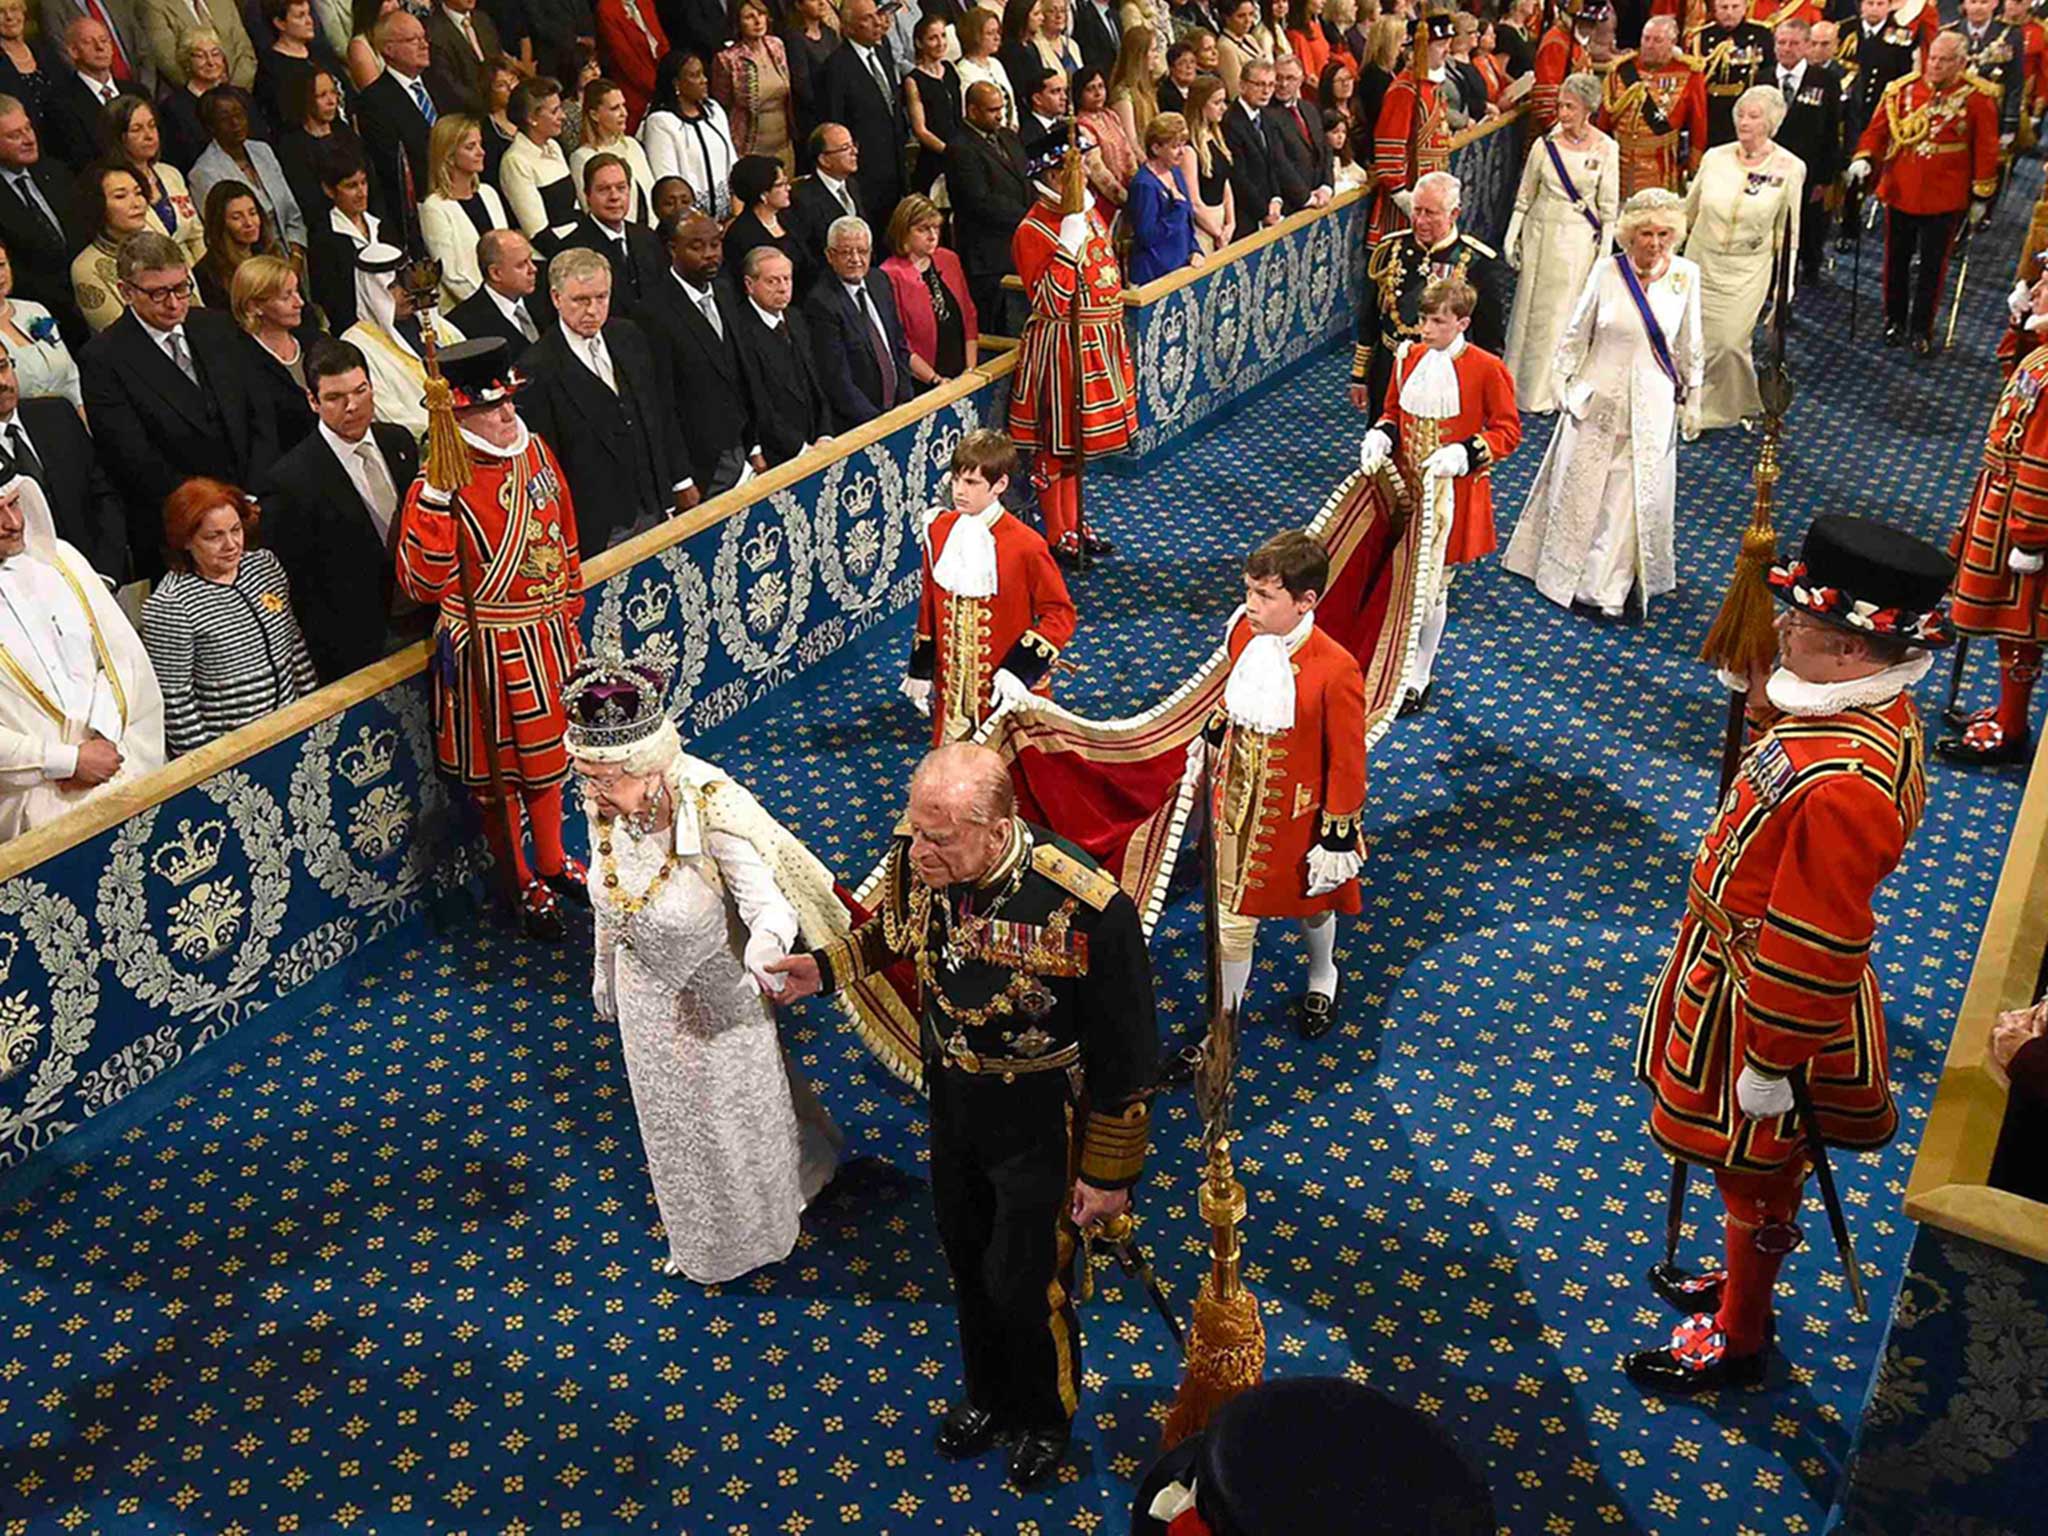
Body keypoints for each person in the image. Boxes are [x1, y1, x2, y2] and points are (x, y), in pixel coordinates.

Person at [763, 740, 1157, 1490]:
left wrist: (1109, 1178)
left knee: (1027, 1278)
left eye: (939, 838)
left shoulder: (1086, 907)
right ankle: (989, 1395)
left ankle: (1045, 1414)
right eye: (916, 831)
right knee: (967, 1258)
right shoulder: (925, 854)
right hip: (954, 1102)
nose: (919, 851)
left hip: (1044, 1122)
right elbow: (895, 930)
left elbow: (1128, 1060)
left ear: (998, 828)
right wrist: (826, 968)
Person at [1625, 514, 1951, 1395]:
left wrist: (1771, 1057)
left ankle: (1739, 1334)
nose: (1781, 633)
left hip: (1764, 1003)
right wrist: (1770, 688)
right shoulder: (1868, 710)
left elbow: (1819, 940)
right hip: (1738, 971)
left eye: (1800, 628)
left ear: (1851, 653)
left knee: (1753, 1167)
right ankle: (1740, 1289)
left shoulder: (1844, 784)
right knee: (1759, 1168)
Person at [565, 640, 846, 1283]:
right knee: (672, 1119)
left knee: (730, 1118)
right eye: (584, 776)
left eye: (604, 779)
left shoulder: (713, 805)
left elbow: (768, 903)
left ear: (649, 765)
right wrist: (603, 966)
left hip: (719, 993)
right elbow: (610, 893)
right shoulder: (604, 803)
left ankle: (763, 1225)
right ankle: (701, 1237)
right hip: (645, 998)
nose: (591, 793)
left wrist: (766, 949)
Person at [394, 336, 586, 941]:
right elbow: (422, 583)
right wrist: (433, 501)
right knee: (499, 772)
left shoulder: (536, 452)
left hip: (548, 633)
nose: (508, 415)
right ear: (458, 417)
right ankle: (520, 874)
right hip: (489, 649)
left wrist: (570, 604)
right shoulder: (439, 482)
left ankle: (553, 859)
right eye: (492, 407)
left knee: (550, 759)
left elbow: (564, 530)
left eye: (509, 401)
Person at [1183, 527, 1365, 1050]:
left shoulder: (1336, 670)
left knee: (1314, 906)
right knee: (1232, 922)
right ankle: (1225, 1023)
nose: (1251, 604)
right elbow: (1235, 698)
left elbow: (1348, 763)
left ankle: (1322, 974)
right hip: (1235, 808)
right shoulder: (1243, 633)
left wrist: (1335, 837)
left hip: (1297, 820)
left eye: (1265, 595)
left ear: (1306, 601)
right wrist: (1211, 738)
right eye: (1248, 590)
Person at [1506, 188, 1703, 621]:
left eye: (1663, 234)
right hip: (1595, 401)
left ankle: (1607, 588)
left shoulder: (1686, 276)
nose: (1654, 243)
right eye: (1646, 234)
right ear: (1629, 236)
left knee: (1624, 500)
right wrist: (1562, 385)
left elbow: (1690, 345)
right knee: (1580, 492)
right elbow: (1575, 335)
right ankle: (1563, 575)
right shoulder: (1606, 272)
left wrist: (1694, 399)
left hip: (1651, 407)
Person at [1357, 276, 1519, 713]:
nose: (1424, 329)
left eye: (1436, 321)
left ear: (1462, 323)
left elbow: (1507, 431)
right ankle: (1389, 659)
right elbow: (1393, 410)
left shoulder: (1487, 368)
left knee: (1433, 589)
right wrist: (1381, 434)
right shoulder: (1408, 358)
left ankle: (1418, 673)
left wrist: (1465, 453)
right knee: (1397, 580)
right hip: (1405, 488)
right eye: (1423, 319)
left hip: (1454, 498)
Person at [79, 230, 280, 578]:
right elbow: (132, 457)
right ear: (126, 291)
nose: (174, 303)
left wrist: (255, 492)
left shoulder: (215, 326)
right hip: (182, 528)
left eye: (181, 288)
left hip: (254, 505)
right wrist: (211, 510)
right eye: (158, 293)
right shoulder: (104, 358)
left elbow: (259, 410)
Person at [0, 472, 163, 841]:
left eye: (14, 504)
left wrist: (103, 738)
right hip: (34, 808)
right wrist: (68, 762)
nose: (12, 524)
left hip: (120, 762)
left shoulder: (63, 561)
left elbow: (117, 656)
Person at [256, 334, 424, 680]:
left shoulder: (398, 442)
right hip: (360, 647)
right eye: (335, 397)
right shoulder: (290, 481)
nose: (352, 406)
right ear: (312, 400)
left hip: (425, 617)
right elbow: (299, 587)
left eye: (360, 391)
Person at [1007, 133, 1135, 565]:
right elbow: (1047, 300)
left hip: (1098, 340)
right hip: (1063, 345)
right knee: (1057, 447)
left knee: (1079, 449)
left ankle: (1077, 523)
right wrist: (1066, 247)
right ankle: (1058, 531)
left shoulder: (1085, 211)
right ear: (1053, 174)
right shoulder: (1032, 228)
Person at [1936, 273, 2048, 767]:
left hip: (2024, 516)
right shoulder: (2042, 356)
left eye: (2047, 285)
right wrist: (2021, 324)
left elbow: (2043, 462)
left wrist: (2030, 533)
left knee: (2022, 623)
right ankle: (2008, 711)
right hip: (2001, 500)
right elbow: (2013, 370)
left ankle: (2012, 728)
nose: (2037, 289)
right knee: (2009, 622)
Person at [902, 427, 1074, 744]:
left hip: (1003, 694)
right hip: (951, 693)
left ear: (1000, 485)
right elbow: (929, 601)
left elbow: (1060, 614)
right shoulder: (939, 530)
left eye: (971, 482)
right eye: (956, 479)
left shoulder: (1026, 545)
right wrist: (920, 669)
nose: (959, 491)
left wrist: (1020, 669)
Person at [519, 245, 688, 555]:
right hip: (597, 526)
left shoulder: (629, 336)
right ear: (556, 298)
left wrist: (678, 482)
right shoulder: (536, 368)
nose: (593, 310)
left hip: (653, 504)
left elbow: (658, 412)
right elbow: (547, 461)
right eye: (581, 300)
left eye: (601, 297)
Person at [1845, 31, 1998, 357]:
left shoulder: (1977, 98)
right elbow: (1878, 132)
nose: (1937, 66)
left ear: (1961, 62)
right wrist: (1864, 158)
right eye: (1933, 59)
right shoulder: (1902, 91)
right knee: (1895, 260)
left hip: (1945, 193)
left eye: (1945, 60)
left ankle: (1921, 328)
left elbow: (1985, 149)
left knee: (1932, 266)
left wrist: (1981, 197)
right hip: (1902, 187)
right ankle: (1894, 320)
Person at [140, 475, 317, 755]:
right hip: (234, 752)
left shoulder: (265, 566)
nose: (231, 544)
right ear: (185, 541)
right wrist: (207, 766)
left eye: (236, 530)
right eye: (214, 536)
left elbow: (294, 644)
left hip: (294, 729)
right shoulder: (171, 605)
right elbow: (175, 702)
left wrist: (315, 713)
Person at [1349, 169, 1510, 427]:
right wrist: (1359, 376)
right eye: (1417, 210)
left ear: (1453, 214)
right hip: (1391, 368)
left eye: (1430, 213)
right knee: (1381, 447)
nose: (1420, 221)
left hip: (1445, 374)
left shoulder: (1477, 262)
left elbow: (1489, 336)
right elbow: (1369, 316)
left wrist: (1484, 390)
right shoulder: (1390, 250)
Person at [1683, 83, 1801, 428]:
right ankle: (1694, 405)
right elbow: (1688, 211)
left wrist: (1786, 286)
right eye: (1741, 114)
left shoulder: (1790, 167)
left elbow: (1788, 234)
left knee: (1730, 342)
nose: (1744, 122)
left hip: (1747, 268)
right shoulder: (1715, 157)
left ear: (1772, 123)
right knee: (1692, 338)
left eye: (1754, 116)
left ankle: (1721, 409)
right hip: (1701, 260)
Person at [1503, 72, 1618, 414]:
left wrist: (1605, 252)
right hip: (1539, 232)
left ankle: (1550, 390)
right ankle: (1517, 386)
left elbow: (1609, 209)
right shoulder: (1545, 145)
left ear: (1588, 109)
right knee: (1527, 309)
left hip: (1576, 239)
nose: (1562, 113)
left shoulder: (1606, 148)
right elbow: (1524, 197)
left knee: (1559, 312)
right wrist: (1512, 235)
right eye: (1560, 106)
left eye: (1570, 107)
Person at [636, 210, 763, 501]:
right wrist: (681, 480)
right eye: (696, 247)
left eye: (715, 245)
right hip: (700, 464)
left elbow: (743, 373)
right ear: (672, 250)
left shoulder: (725, 290)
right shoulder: (653, 313)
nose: (709, 255)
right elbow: (662, 403)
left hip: (740, 446)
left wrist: (753, 445)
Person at [0, 350, 125, 580]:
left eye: (2, 366)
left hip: (98, 574)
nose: (2, 382)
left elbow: (104, 495)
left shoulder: (56, 414)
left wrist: (106, 572)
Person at [340, 240, 464, 439]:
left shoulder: (435, 324)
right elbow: (389, 414)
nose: (406, 292)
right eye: (393, 286)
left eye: (408, 282)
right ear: (373, 292)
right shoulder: (355, 346)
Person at [801, 212, 914, 430]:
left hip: (898, 411)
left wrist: (905, 400)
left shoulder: (879, 281)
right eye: (846, 252)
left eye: (862, 251)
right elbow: (836, 380)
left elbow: (898, 344)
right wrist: (878, 423)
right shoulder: (821, 302)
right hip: (859, 424)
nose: (856, 259)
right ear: (830, 255)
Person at [729, 243, 832, 465]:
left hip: (817, 443)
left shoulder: (796, 318)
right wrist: (801, 449)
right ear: (749, 284)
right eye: (772, 281)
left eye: (787, 279)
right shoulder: (740, 331)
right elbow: (759, 404)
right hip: (780, 455)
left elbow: (817, 382)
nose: (783, 287)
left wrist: (825, 434)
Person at [0, 97, 86, 345]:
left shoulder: (58, 173)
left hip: (85, 296)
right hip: (36, 320)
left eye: (28, 128)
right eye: (14, 135)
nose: (29, 139)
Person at [947, 80, 1030, 333]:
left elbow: (1026, 177)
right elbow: (979, 201)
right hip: (988, 255)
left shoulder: (1008, 137)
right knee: (997, 325)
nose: (1000, 116)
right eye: (993, 110)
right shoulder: (960, 148)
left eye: (1001, 109)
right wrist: (1027, 215)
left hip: (1018, 245)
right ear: (972, 111)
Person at [817, 0, 907, 221]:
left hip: (894, 167)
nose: (878, 22)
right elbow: (834, 121)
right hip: (864, 173)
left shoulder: (882, 50)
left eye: (877, 15)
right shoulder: (836, 67)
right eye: (867, 18)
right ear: (848, 27)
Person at [1368, 11, 1451, 245]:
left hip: (1433, 190)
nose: (1446, 50)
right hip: (1411, 197)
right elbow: (1388, 147)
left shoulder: (1430, 87)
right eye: (1440, 45)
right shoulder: (1405, 90)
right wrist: (1402, 194)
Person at [1602, 15, 1706, 197]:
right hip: (1617, 163)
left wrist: (1693, 166)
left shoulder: (1689, 73)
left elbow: (1699, 123)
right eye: (1646, 38)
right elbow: (1604, 120)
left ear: (1672, 42)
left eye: (1657, 40)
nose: (1649, 45)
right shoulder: (1621, 69)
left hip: (1661, 166)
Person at [1770, 18, 1840, 288]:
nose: (1786, 48)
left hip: (1810, 169)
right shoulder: (1762, 76)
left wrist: (1825, 179)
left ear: (1807, 46)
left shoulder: (1826, 81)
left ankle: (1810, 266)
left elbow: (1833, 132)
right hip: (1771, 167)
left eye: (1794, 43)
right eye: (1781, 42)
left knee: (1809, 225)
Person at [880, 195, 975, 387]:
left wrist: (970, 370)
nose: (932, 236)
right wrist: (935, 379)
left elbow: (969, 316)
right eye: (923, 229)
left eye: (936, 228)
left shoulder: (949, 260)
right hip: (922, 381)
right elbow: (900, 342)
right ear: (903, 232)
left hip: (962, 373)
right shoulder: (889, 275)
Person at [419, 113, 510, 307]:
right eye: (470, 147)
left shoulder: (489, 193)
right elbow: (451, 275)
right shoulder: (435, 207)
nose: (481, 152)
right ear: (449, 156)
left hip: (507, 297)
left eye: (480, 144)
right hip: (468, 307)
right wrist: (492, 305)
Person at [352, 8, 433, 226]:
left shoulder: (439, 83)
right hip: (421, 207)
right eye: (413, 40)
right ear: (389, 49)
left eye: (424, 37)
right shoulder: (374, 102)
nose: (424, 45)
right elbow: (392, 168)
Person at [103, 95, 203, 271]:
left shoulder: (170, 174)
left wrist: (205, 276)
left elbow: (196, 235)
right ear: (118, 137)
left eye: (152, 126)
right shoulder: (112, 183)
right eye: (137, 129)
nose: (149, 136)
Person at [639, 48, 736, 219]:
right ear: (676, 83)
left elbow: (733, 164)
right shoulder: (661, 123)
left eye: (703, 74)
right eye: (695, 75)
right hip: (689, 223)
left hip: (728, 217)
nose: (704, 80)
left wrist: (735, 215)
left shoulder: (714, 111)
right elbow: (668, 183)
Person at [230, 251, 316, 440]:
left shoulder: (314, 342)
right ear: (254, 306)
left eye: (297, 291)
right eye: (286, 297)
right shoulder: (240, 364)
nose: (299, 302)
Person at [302, 136, 377, 327]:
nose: (362, 193)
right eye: (351, 186)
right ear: (329, 190)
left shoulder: (380, 224)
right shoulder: (324, 239)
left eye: (363, 183)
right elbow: (333, 304)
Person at [70, 162, 153, 333]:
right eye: (120, 196)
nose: (137, 203)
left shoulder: (158, 240)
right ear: (97, 204)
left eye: (138, 193)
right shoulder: (86, 267)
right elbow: (119, 337)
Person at [0, 237, 81, 406]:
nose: (0, 275)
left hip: (70, 420)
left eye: (1, 265)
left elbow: (71, 378)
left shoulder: (34, 310)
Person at [787, 120, 866, 291]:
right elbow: (808, 255)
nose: (855, 152)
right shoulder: (802, 198)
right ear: (824, 159)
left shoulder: (853, 186)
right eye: (845, 148)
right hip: (826, 288)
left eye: (853, 145)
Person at [1225, 59, 1303, 232]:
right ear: (1242, 85)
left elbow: (1274, 163)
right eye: (1259, 84)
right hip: (1246, 217)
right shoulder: (1231, 122)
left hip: (1272, 210)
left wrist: (1276, 199)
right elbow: (1238, 176)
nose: (1266, 91)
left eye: (1270, 84)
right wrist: (1263, 211)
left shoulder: (1267, 117)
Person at [714, 0, 793, 168]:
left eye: (761, 14)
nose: (758, 21)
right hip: (750, 149)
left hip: (784, 146)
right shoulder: (727, 59)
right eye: (749, 17)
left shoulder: (777, 45)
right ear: (738, 23)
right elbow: (722, 105)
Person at [500, 74, 579, 238]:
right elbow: (537, 233)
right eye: (554, 111)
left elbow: (574, 209)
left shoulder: (554, 146)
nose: (563, 116)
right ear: (532, 118)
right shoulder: (515, 161)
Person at [1126, 109, 1200, 282]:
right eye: (1175, 146)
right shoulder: (1144, 185)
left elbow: (1187, 223)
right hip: (1155, 274)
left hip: (1181, 267)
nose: (1182, 152)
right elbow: (1147, 236)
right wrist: (1178, 209)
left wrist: (1194, 250)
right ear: (1156, 148)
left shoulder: (1175, 172)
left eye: (1183, 144)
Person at [569, 75, 655, 222]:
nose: (624, 113)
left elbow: (650, 195)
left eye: (623, 105)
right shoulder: (582, 157)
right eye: (615, 108)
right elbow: (591, 209)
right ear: (594, 115)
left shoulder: (632, 145)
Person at [195, 179, 287, 310]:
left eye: (252, 213)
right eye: (237, 217)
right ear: (220, 223)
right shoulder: (207, 274)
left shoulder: (272, 252)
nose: (249, 223)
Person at [257, 0, 346, 129]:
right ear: (280, 23)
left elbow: (348, 95)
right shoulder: (272, 68)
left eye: (309, 14)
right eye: (300, 16)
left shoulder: (321, 52)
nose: (309, 21)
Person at [1696, 0, 1771, 148]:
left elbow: (1769, 72)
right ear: (1715, 10)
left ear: (1745, 8)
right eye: (1723, 7)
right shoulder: (1701, 37)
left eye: (1735, 7)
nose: (1729, 12)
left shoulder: (1761, 34)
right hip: (1712, 113)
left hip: (1748, 111)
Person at [903, 10, 962, 194]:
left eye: (943, 36)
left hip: (960, 151)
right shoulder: (913, 80)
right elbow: (920, 129)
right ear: (919, 43)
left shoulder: (950, 70)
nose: (941, 43)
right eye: (933, 38)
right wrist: (948, 151)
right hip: (934, 159)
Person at [141, 0, 255, 88]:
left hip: (240, 90)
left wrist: (234, 88)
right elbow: (168, 62)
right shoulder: (154, 5)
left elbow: (245, 49)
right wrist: (205, 91)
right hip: (197, 100)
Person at [593, 0, 665, 125]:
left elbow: (662, 41)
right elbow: (624, 57)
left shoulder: (645, 3)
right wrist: (658, 87)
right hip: (634, 91)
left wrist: (669, 75)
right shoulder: (607, 8)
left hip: (660, 78)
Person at [422, 0, 498, 117]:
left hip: (499, 104)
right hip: (466, 114)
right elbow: (447, 83)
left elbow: (498, 61)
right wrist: (487, 106)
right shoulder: (433, 31)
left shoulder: (483, 19)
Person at [723, 151, 798, 268]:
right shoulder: (741, 235)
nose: (788, 188)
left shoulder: (790, 217)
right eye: (780, 184)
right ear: (763, 194)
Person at [1185, 71, 1234, 252]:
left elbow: (1225, 182)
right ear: (1200, 105)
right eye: (1216, 103)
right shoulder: (1189, 149)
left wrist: (1230, 223)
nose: (1223, 108)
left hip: (1221, 223)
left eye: (1224, 101)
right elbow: (1194, 203)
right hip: (1203, 228)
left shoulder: (1216, 136)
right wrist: (1217, 233)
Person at [1531, 0, 1597, 130]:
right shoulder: (1555, 44)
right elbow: (1546, 105)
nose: (1591, 28)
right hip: (1561, 132)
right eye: (1586, 22)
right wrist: (1565, 133)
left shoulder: (1576, 42)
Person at [956, 4, 1019, 130]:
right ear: (974, 36)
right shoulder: (963, 71)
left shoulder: (996, 64)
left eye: (998, 32)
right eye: (990, 33)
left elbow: (1011, 103)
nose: (997, 38)